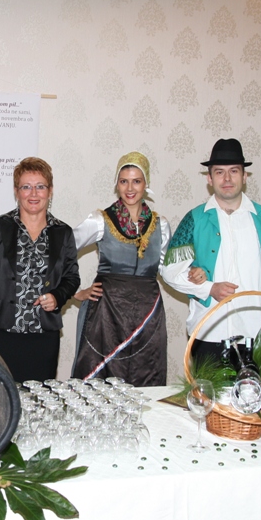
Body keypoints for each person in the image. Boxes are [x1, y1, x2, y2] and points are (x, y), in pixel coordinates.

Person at [161, 138, 261, 364]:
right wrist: (209, 288)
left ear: (244, 176)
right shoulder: (194, 219)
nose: (226, 179)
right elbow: (170, 271)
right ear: (209, 178)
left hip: (258, 334)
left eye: (233, 171)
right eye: (219, 172)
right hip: (209, 333)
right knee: (207, 389)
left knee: (257, 389)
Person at [0, 157, 80, 382]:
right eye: (26, 187)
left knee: (41, 397)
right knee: (3, 395)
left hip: (44, 336)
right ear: (16, 191)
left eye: (40, 186)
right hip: (3, 334)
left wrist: (57, 296)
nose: (33, 194)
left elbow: (71, 277)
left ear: (50, 191)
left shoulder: (63, 232)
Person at [71, 152, 172, 387]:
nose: (130, 188)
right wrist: (73, 291)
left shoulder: (161, 225)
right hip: (107, 313)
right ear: (116, 184)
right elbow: (63, 250)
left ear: (146, 184)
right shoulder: (100, 220)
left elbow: (168, 269)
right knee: (100, 383)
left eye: (136, 181)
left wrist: (197, 276)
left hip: (148, 312)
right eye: (124, 181)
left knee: (146, 376)